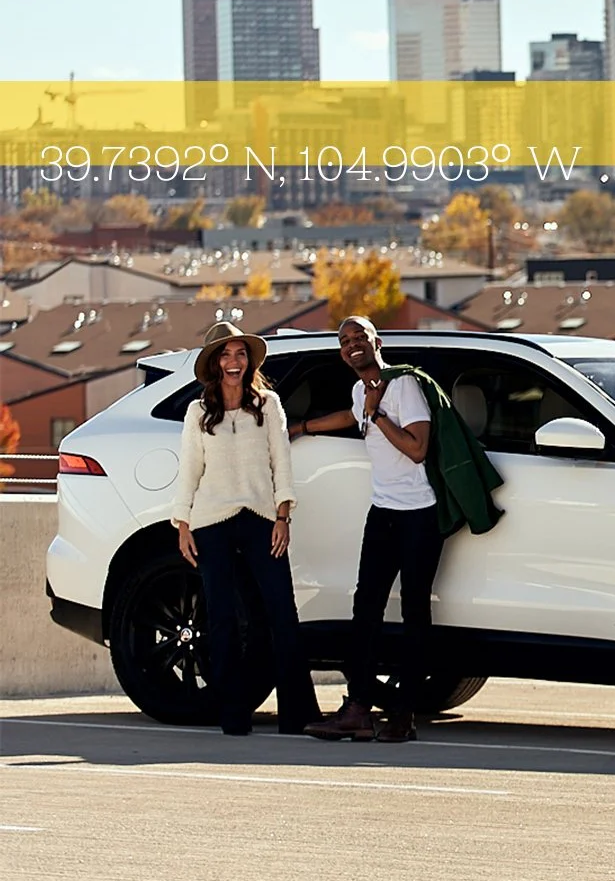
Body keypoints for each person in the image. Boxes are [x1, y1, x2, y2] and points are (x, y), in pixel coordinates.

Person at [169, 321, 320, 736]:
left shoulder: (268, 405)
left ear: (248, 361)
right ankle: (232, 715)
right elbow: (190, 471)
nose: (233, 361)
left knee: (281, 613)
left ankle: (298, 715)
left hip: (260, 518)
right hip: (210, 523)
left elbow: (281, 462)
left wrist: (283, 515)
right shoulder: (198, 412)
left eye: (239, 354)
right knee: (221, 618)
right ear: (215, 364)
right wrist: (182, 522)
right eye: (225, 354)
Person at [299, 317, 440, 744]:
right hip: (383, 514)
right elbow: (351, 415)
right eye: (344, 341)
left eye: (360, 336)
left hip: (419, 514)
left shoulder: (402, 387)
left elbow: (417, 449)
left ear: (377, 341)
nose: (353, 345)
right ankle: (358, 707)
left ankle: (404, 713)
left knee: (415, 612)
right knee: (365, 611)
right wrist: (302, 428)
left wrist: (377, 413)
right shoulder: (362, 390)